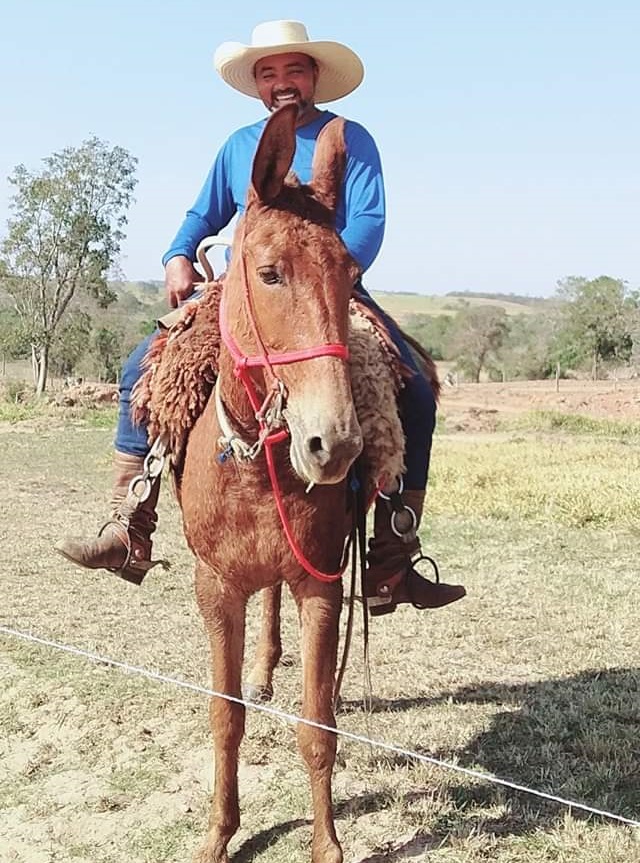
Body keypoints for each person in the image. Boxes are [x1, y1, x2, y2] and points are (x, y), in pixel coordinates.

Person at [56, 20, 465, 613]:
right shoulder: (237, 145)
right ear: (256, 85)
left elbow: (369, 222)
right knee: (141, 367)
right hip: (246, 292)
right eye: (268, 73)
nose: (282, 82)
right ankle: (131, 522)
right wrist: (177, 255)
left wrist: (329, 272)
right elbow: (203, 215)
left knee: (415, 392)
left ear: (314, 76)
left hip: (331, 290)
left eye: (294, 69)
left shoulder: (350, 139)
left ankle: (392, 555)